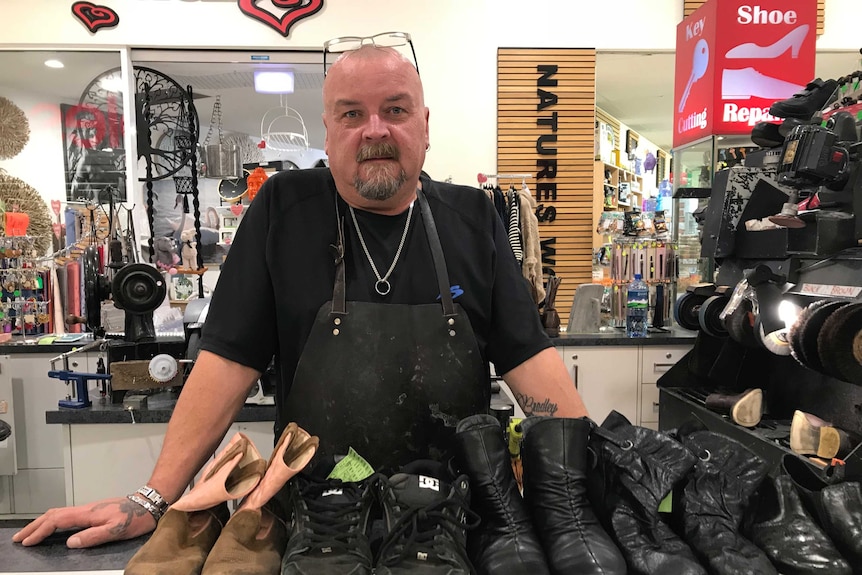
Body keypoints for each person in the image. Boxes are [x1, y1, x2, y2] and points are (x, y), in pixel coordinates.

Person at [13, 43, 588, 550]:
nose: (375, 129)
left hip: (448, 527)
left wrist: (587, 501)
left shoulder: (473, 218)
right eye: (351, 114)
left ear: (425, 123)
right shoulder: (284, 210)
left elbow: (530, 363)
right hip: (315, 529)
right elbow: (228, 360)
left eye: (395, 109)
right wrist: (150, 498)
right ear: (329, 129)